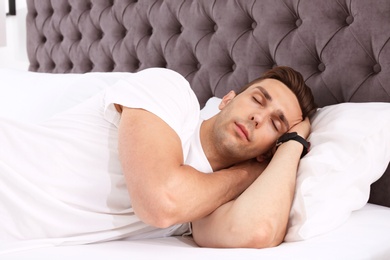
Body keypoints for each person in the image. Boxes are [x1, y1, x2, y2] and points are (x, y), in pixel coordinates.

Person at [0, 66, 317, 252]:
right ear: (227, 100)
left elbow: (257, 231)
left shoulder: (209, 199)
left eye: (276, 124)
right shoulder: (171, 93)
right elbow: (161, 201)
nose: (257, 118)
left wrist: (291, 146)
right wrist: (250, 171)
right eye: (257, 100)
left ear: (268, 150)